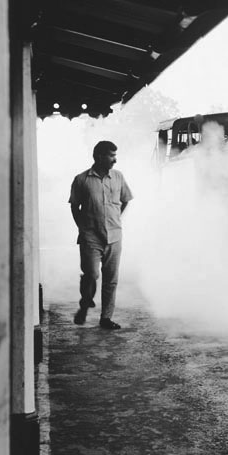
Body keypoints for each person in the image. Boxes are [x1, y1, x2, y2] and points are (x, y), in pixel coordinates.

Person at [69, 141, 133, 329]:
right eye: (111, 155)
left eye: (115, 155)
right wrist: (83, 227)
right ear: (98, 156)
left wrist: (115, 219)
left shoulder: (118, 177)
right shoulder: (81, 179)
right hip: (90, 236)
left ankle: (105, 318)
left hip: (114, 235)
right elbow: (74, 206)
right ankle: (85, 302)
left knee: (111, 279)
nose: (115, 159)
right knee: (91, 274)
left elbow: (125, 200)